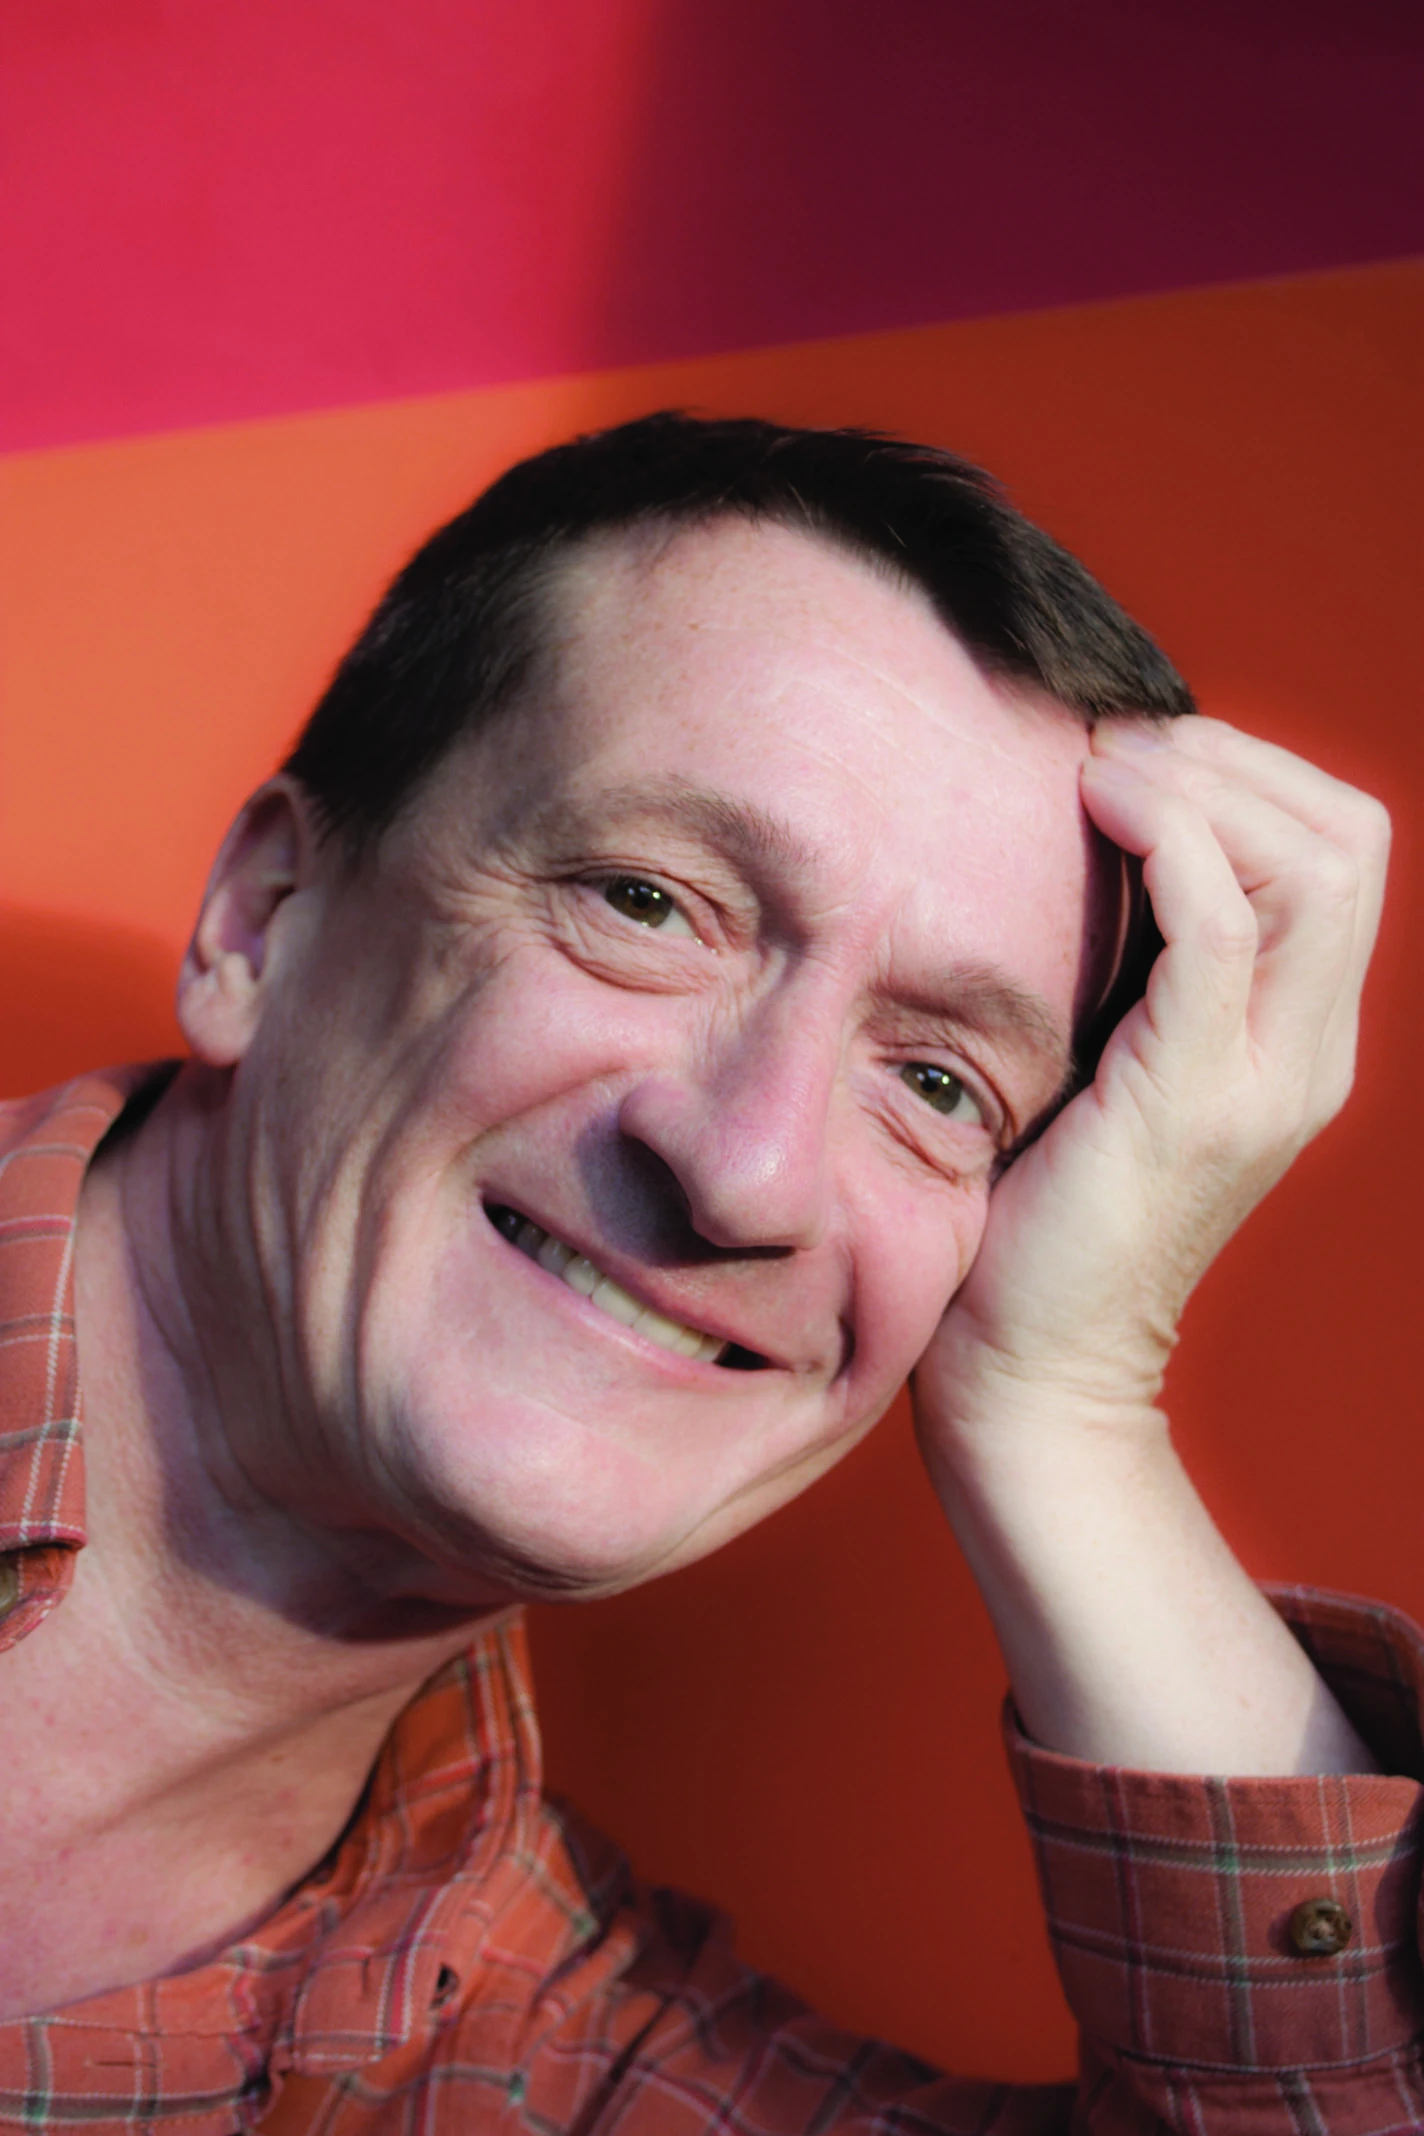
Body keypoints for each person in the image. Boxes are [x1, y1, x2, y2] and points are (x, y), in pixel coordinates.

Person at [0, 412, 1413, 2135]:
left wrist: (1068, 1403)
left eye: (938, 1084)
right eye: (650, 904)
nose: (749, 1172)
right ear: (264, 919)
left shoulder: (559, 2070)